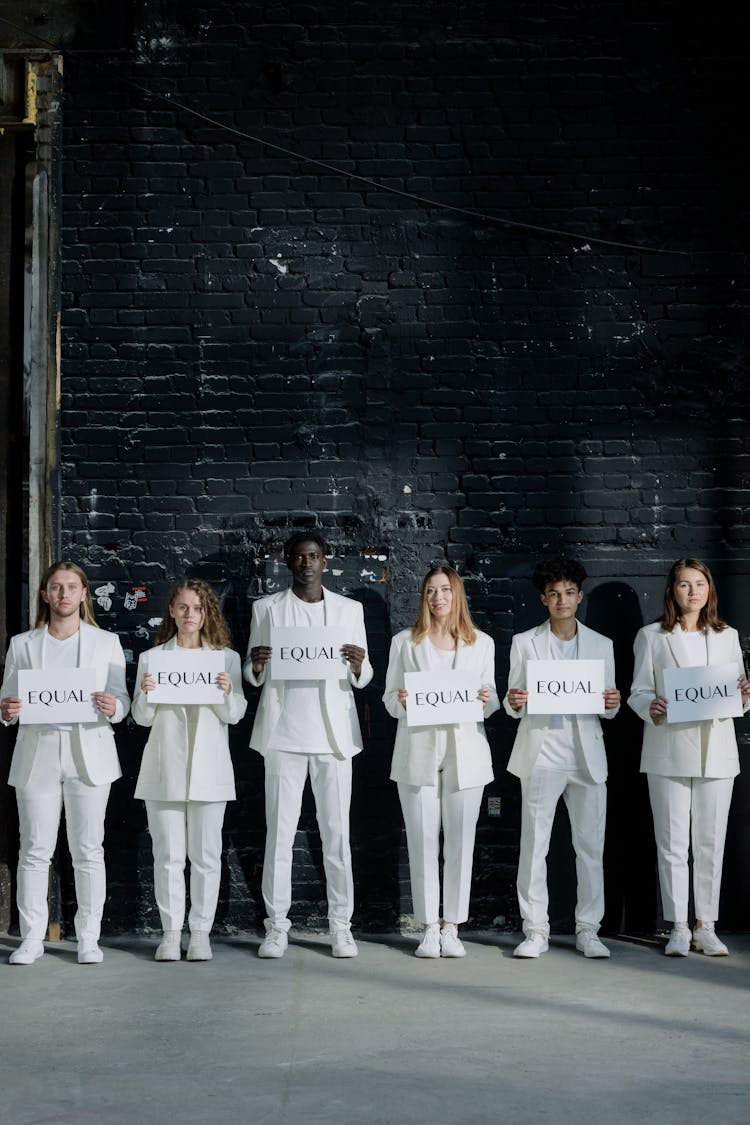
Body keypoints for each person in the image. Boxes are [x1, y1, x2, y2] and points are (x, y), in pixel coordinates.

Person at [243, 531, 373, 959]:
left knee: (337, 836)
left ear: (325, 560)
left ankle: (341, 927)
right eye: (299, 557)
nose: (306, 563)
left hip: (333, 737)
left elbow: (365, 674)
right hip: (282, 735)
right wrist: (256, 665)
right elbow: (252, 671)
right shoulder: (267, 608)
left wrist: (359, 666)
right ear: (287, 561)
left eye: (313, 556)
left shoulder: (349, 610)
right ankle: (277, 926)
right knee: (278, 837)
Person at [0, 561, 130, 965]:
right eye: (56, 588)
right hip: (37, 751)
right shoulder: (23, 644)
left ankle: (89, 937)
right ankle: (32, 938)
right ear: (45, 595)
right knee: (35, 850)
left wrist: (115, 706)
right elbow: (6, 703)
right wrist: (7, 709)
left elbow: (121, 700)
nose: (63, 595)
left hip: (88, 752)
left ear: (83, 593)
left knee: (89, 849)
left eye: (71, 587)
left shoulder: (105, 642)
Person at [628, 558, 749, 957]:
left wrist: (745, 697)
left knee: (711, 842)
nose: (693, 591)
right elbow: (638, 692)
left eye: (699, 584)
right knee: (672, 841)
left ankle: (706, 925)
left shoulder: (727, 636)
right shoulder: (652, 636)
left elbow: (735, 694)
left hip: (717, 749)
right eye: (684, 584)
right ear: (672, 590)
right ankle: (678, 925)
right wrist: (652, 707)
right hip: (668, 748)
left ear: (709, 590)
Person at [504, 556, 620, 959]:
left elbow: (608, 705)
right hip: (541, 754)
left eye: (569, 592)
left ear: (579, 596)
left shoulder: (601, 645)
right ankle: (535, 930)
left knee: (590, 847)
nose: (562, 600)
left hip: (586, 756)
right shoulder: (525, 642)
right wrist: (514, 700)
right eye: (554, 593)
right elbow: (512, 699)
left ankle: (588, 929)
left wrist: (612, 702)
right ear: (543, 599)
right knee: (534, 846)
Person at [383, 565, 498, 957]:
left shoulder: (481, 643)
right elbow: (387, 697)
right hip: (417, 749)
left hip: (465, 751)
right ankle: (429, 925)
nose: (438, 598)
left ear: (457, 595)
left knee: (461, 844)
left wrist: (486, 699)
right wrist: (399, 701)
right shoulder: (405, 642)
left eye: (445, 590)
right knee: (422, 840)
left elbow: (493, 697)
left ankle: (453, 926)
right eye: (431, 591)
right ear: (424, 597)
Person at [132, 579, 247, 962]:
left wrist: (228, 691)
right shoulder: (153, 659)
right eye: (182, 607)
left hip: (210, 769)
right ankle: (169, 933)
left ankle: (199, 932)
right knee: (166, 856)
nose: (189, 615)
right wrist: (147, 692)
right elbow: (142, 718)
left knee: (206, 855)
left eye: (197, 609)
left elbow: (234, 715)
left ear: (206, 613)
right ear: (172, 611)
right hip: (164, 767)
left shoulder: (225, 659)